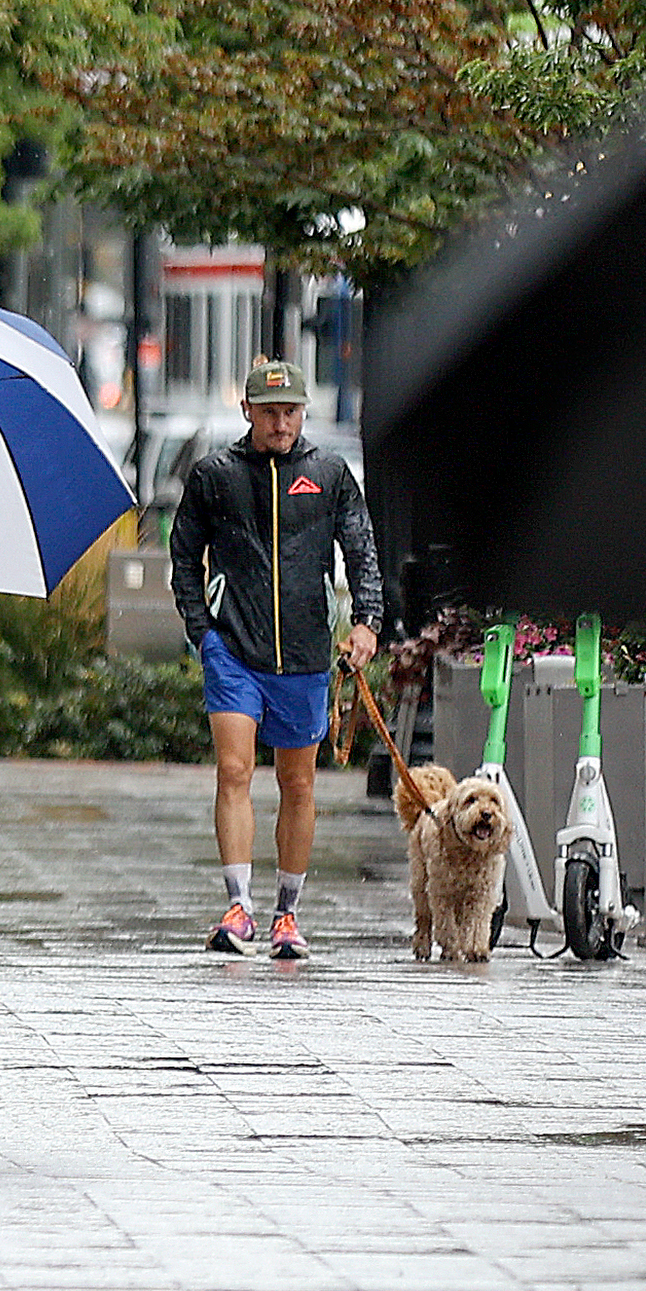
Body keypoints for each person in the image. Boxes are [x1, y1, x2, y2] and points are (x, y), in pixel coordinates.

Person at [169, 358, 382, 960]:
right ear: (248, 412)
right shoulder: (216, 475)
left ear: (302, 414)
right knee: (233, 771)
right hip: (233, 649)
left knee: (298, 781)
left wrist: (366, 623)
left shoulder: (330, 473)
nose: (281, 423)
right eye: (270, 412)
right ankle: (238, 905)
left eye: (290, 412)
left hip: (308, 654)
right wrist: (202, 633)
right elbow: (183, 556)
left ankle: (288, 913)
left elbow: (362, 552)